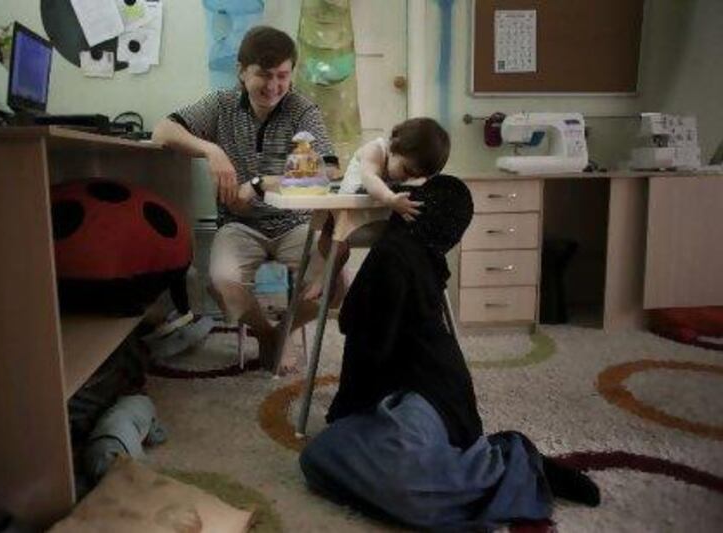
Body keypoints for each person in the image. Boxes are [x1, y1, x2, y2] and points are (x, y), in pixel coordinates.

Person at [299, 175, 601, 531]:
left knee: (391, 480)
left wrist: (351, 409)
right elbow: (365, 335)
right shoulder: (406, 255)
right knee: (320, 458)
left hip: (428, 398)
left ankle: (512, 461)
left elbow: (362, 337)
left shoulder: (397, 257)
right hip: (406, 396)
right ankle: (464, 465)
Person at [152, 26, 337, 371]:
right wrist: (211, 150)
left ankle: (285, 330)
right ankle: (267, 334)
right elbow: (162, 131)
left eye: (282, 75)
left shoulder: (301, 109)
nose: (274, 86)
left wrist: (259, 182)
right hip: (238, 225)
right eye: (264, 75)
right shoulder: (221, 104)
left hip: (296, 223)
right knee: (222, 281)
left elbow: (329, 172)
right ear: (242, 71)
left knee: (336, 281)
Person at [303, 117, 451, 300]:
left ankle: (335, 280)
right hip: (345, 216)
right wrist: (390, 198)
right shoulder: (375, 150)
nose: (407, 179)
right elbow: (370, 178)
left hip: (379, 221)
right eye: (406, 171)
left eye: (415, 176)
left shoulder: (401, 169)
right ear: (395, 146)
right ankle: (326, 277)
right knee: (333, 246)